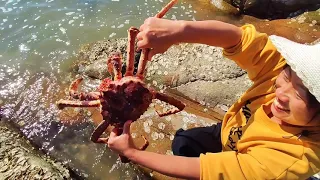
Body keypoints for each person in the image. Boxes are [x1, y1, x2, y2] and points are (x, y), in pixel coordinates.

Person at [106, 17, 320, 179]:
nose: (280, 94)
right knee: (183, 142)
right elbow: (240, 39)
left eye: (299, 94)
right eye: (286, 76)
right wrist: (179, 31)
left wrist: (132, 153)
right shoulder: (285, 71)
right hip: (231, 132)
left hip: (257, 167)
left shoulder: (292, 157)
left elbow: (209, 170)